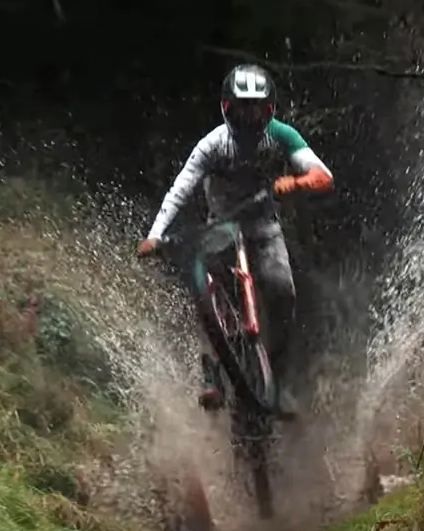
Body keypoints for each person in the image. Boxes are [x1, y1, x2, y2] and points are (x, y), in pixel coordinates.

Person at [136, 63, 334, 416]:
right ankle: (213, 368)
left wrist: (298, 182)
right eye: (242, 105)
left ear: (269, 108)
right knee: (211, 296)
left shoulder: (283, 136)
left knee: (282, 291)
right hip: (221, 228)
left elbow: (323, 176)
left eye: (256, 106)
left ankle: (276, 380)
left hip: (263, 228)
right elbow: (180, 190)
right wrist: (155, 235)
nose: (249, 114)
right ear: (227, 107)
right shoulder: (213, 144)